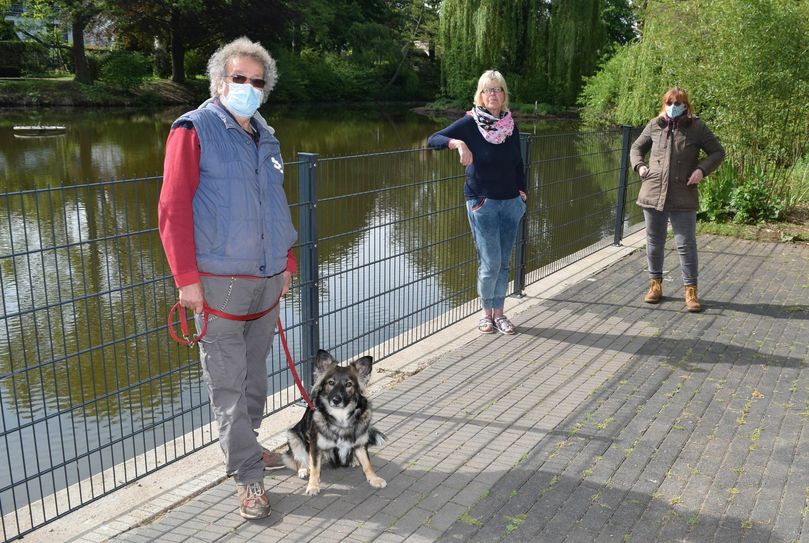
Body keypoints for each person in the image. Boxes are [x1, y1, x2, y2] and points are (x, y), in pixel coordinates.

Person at [158, 37, 297, 520]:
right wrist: (186, 279)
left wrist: (286, 264)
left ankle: (249, 448)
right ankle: (248, 479)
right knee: (229, 385)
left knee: (256, 377)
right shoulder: (193, 130)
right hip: (217, 283)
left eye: (257, 82)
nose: (248, 87)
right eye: (239, 79)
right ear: (219, 82)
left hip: (266, 278)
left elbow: (275, 205)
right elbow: (172, 209)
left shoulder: (267, 135)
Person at [428, 70, 527, 335]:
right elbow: (432, 140)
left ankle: (500, 314)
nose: (493, 94)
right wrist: (457, 143)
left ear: (504, 94)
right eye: (487, 90)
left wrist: (522, 191)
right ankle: (486, 315)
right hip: (483, 202)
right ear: (480, 96)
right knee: (490, 261)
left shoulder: (510, 125)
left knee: (504, 261)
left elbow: (518, 163)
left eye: (497, 89)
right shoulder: (470, 123)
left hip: (511, 203)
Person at [630, 86, 725, 312]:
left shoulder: (697, 127)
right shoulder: (655, 124)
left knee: (686, 244)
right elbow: (636, 148)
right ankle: (655, 286)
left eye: (678, 103)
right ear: (664, 104)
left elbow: (717, 152)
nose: (674, 107)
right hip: (653, 192)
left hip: (683, 194)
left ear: (686, 105)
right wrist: (640, 167)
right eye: (670, 103)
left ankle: (690, 292)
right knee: (654, 241)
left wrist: (701, 170)